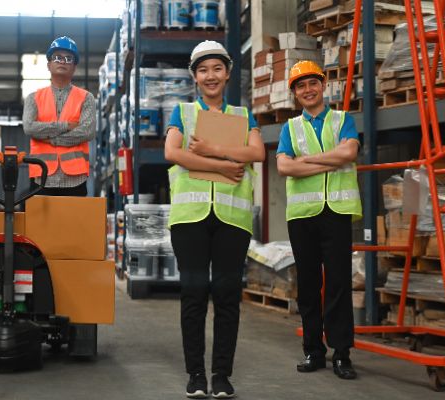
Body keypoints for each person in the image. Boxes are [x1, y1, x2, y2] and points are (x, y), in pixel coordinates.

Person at [164, 40, 265, 399]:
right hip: (190, 216)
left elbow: (257, 152)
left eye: (217, 69)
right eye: (203, 69)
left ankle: (221, 374)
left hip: (231, 218)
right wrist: (222, 163)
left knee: (226, 293)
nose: (211, 76)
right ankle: (196, 374)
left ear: (228, 73)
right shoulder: (182, 113)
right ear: (194, 76)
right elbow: (172, 153)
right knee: (192, 291)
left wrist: (210, 149)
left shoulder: (242, 115)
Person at [275, 60, 361, 380]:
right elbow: (285, 168)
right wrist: (329, 161)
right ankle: (314, 350)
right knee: (308, 285)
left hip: (336, 211)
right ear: (295, 94)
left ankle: (342, 353)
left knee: (338, 282)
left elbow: (348, 153)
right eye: (300, 86)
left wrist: (306, 161)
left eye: (312, 83)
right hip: (302, 216)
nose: (307, 90)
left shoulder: (342, 120)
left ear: (323, 86)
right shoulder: (290, 127)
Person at [23, 36, 96, 197]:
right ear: (49, 65)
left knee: (73, 223)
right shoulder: (33, 98)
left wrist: (52, 140)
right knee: (41, 223)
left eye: (68, 59)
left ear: (74, 66)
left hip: (75, 179)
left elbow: (87, 132)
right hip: (41, 176)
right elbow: (29, 127)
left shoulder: (86, 98)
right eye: (57, 57)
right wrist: (65, 126)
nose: (62, 61)